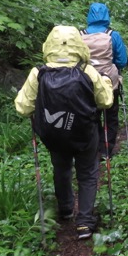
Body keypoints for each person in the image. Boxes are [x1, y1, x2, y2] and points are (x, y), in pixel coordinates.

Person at [15, 25, 114, 240]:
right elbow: (106, 101)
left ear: (49, 44)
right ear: (79, 44)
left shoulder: (38, 72)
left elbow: (23, 108)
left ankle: (66, 209)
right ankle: (85, 223)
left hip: (54, 135)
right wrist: (105, 81)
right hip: (85, 133)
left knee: (61, 169)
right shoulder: (86, 70)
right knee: (87, 173)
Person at [81, 2, 128, 158]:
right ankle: (106, 150)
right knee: (111, 116)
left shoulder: (80, 34)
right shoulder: (112, 35)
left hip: (86, 82)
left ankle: (93, 147)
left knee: (91, 116)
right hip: (109, 82)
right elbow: (122, 61)